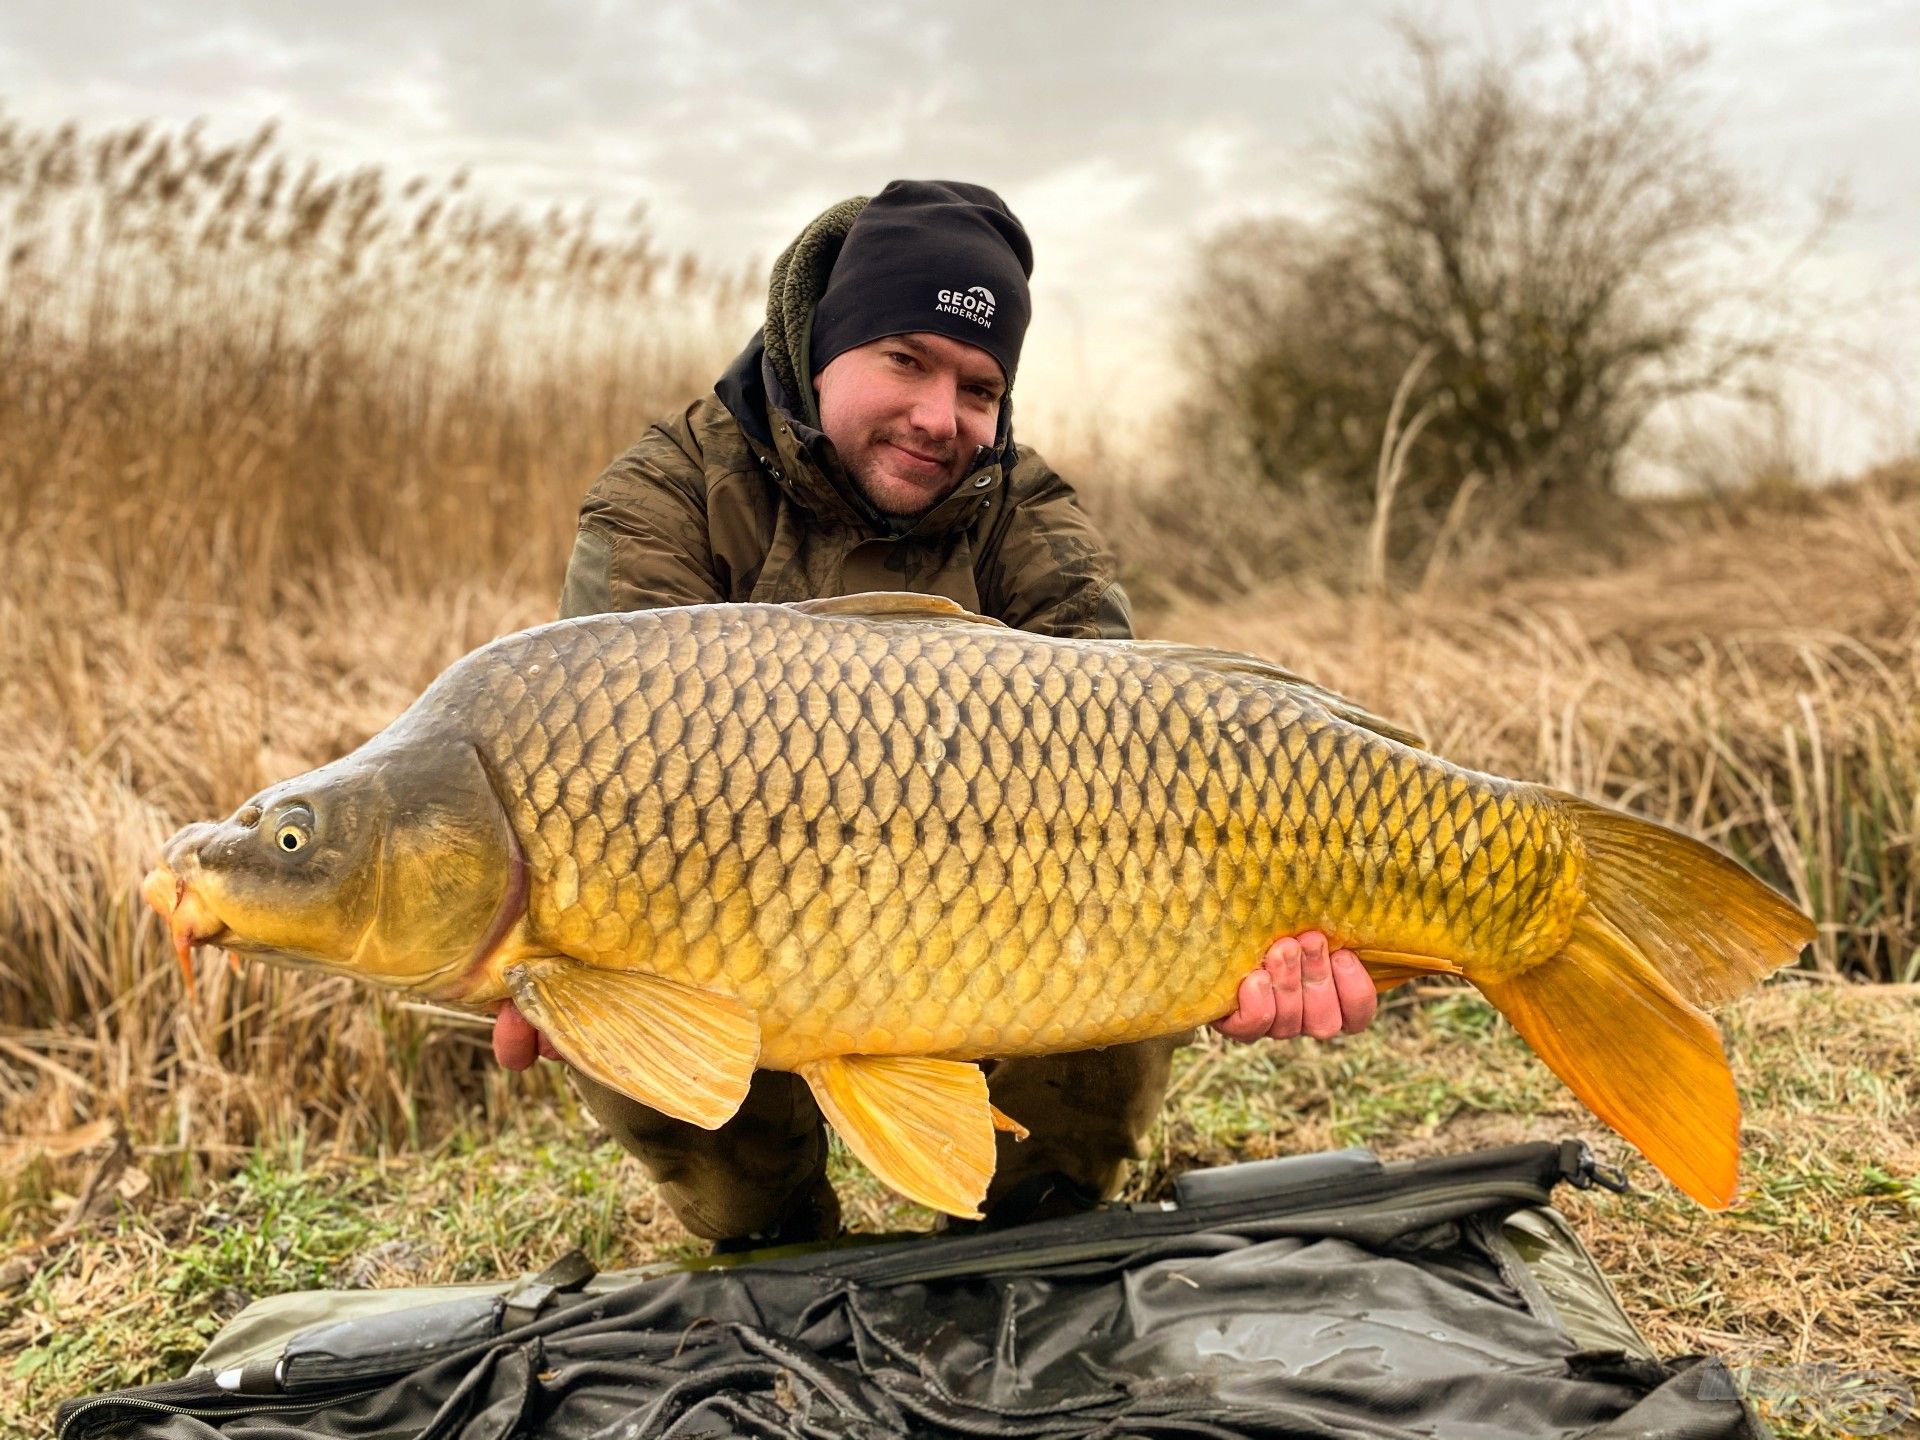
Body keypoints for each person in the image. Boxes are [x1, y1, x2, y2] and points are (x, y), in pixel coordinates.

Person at [492, 180, 1378, 1248]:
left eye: (978, 386)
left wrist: (1237, 950)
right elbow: (595, 768)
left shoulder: (1032, 519)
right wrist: (551, 952)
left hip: (992, 907)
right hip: (735, 910)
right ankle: (779, 1250)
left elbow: (1136, 771)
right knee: (657, 1044)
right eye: (904, 359)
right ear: (819, 343)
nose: (937, 416)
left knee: (1118, 939)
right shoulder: (669, 496)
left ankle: (1031, 1241)